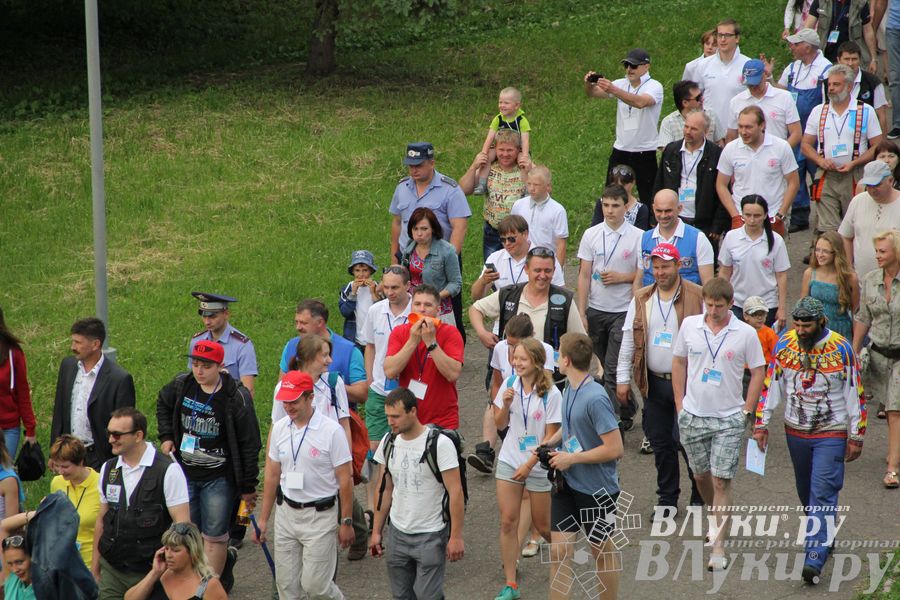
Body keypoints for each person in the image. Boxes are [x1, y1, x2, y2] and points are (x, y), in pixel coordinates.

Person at [754, 296, 866, 584]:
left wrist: (857, 433)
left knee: (822, 491)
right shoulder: (784, 343)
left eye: (807, 326)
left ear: (821, 322)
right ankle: (824, 534)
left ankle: (814, 556)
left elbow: (855, 390)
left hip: (831, 430)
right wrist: (761, 423)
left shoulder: (841, 348)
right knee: (806, 492)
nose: (801, 331)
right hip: (795, 431)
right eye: (797, 325)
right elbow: (771, 384)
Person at [672, 278, 766, 571]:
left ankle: (719, 547)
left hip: (728, 418)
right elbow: (678, 362)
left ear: (730, 304)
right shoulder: (689, 325)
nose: (713, 311)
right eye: (709, 305)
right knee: (700, 476)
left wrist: (747, 411)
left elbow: (759, 371)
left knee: (721, 480)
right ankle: (715, 516)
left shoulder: (745, 333)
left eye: (719, 306)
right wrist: (679, 405)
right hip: (693, 414)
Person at [156, 340, 261, 578]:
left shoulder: (236, 396)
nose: (199, 371)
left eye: (206, 366)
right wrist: (167, 436)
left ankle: (209, 585)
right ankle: (191, 581)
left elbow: (250, 443)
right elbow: (163, 402)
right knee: (186, 532)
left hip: (219, 477)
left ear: (220, 366)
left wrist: (248, 486)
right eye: (195, 364)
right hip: (185, 472)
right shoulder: (182, 384)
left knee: (214, 535)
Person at [616, 243, 705, 515]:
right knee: (660, 442)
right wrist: (622, 379)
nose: (660, 272)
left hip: (687, 384)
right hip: (652, 382)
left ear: (678, 265)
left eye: (665, 266)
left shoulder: (697, 295)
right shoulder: (641, 297)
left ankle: (699, 493)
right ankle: (667, 499)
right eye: (655, 267)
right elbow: (629, 339)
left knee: (687, 440)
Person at [254, 371, 354, 600]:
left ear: (310, 398)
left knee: (316, 586)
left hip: (320, 516)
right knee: (286, 587)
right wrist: (263, 519)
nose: (288, 407)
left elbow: (345, 479)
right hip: (286, 514)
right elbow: (272, 474)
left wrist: (347, 521)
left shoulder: (332, 432)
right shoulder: (280, 428)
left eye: (294, 401)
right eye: (285, 401)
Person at [545, 333, 624, 600]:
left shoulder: (596, 398)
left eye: (558, 353)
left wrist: (572, 458)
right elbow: (571, 425)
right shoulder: (569, 387)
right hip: (566, 483)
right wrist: (550, 442)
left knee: (601, 553)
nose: (556, 358)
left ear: (567, 360)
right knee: (558, 552)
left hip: (597, 490)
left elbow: (615, 449)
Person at [369, 388, 465, 600]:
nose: (390, 422)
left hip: (431, 534)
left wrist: (456, 536)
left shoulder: (440, 444)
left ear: (413, 411)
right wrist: (376, 531)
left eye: (396, 416)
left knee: (428, 596)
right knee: (401, 596)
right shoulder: (388, 442)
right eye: (388, 416)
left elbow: (455, 492)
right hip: (397, 533)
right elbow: (384, 489)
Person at [93, 407, 191, 599]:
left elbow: (182, 526)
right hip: (113, 570)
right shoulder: (108, 469)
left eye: (117, 434)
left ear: (138, 435)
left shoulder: (168, 470)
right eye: (109, 433)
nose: (111, 439)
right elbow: (101, 521)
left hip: (154, 571)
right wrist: (95, 568)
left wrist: (174, 570)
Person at [491, 338, 561, 600]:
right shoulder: (510, 384)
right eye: (515, 358)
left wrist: (529, 464)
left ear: (537, 362)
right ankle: (511, 584)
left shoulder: (551, 393)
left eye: (522, 359)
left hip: (538, 464)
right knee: (507, 521)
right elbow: (499, 424)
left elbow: (551, 436)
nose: (516, 363)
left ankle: (564, 554)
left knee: (543, 526)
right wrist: (506, 405)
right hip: (510, 458)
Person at [577, 185, 643, 426]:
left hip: (623, 310)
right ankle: (628, 408)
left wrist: (622, 278)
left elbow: (642, 274)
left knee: (613, 369)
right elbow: (584, 274)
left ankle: (610, 423)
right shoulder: (591, 234)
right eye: (605, 205)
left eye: (615, 205)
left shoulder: (638, 236)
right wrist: (582, 311)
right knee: (605, 365)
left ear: (626, 207)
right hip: (596, 309)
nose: (610, 210)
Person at [389, 141, 471, 335]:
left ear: (432, 163)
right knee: (410, 312)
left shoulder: (450, 189)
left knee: (449, 315)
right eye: (410, 166)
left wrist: (447, 258)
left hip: (439, 258)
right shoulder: (402, 187)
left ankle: (453, 349)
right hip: (409, 257)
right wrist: (394, 258)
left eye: (419, 165)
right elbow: (397, 222)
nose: (413, 170)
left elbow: (459, 227)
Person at [470, 247, 585, 382]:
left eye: (547, 271)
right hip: (513, 381)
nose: (542, 276)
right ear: (526, 269)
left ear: (554, 271)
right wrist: (482, 333)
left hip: (551, 382)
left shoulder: (564, 300)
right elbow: (475, 309)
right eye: (537, 270)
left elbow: (581, 341)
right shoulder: (509, 294)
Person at [800, 63, 882, 235]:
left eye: (836, 84)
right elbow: (805, 145)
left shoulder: (865, 110)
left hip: (855, 175)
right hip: (826, 175)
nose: (831, 88)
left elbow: (878, 145)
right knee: (828, 230)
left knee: (855, 225)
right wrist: (820, 160)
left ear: (849, 87)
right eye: (829, 84)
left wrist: (855, 163)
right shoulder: (818, 111)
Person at [470, 314, 556, 474]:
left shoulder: (545, 349)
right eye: (509, 344)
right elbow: (496, 383)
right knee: (491, 409)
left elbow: (545, 384)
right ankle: (486, 452)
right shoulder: (500, 348)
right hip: (509, 401)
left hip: (533, 405)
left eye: (516, 345)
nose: (512, 350)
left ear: (531, 338)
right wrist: (498, 407)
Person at [360, 265, 412, 517]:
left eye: (395, 287)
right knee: (374, 449)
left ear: (407, 286)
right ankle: (373, 506)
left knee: (406, 446)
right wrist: (370, 378)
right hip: (379, 390)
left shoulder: (417, 312)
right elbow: (369, 345)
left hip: (408, 391)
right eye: (386, 287)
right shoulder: (375, 311)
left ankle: (402, 501)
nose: (389, 292)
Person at [584, 48, 664, 212]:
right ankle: (608, 219)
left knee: (648, 195)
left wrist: (613, 90)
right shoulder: (621, 83)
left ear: (646, 66)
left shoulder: (654, 86)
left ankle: (648, 224)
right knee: (611, 193)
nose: (629, 69)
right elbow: (593, 93)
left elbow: (641, 102)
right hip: (621, 148)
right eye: (626, 65)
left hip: (644, 150)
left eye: (633, 66)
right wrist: (589, 84)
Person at [51, 317, 136, 470]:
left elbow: (124, 424)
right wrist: (55, 451)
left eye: (78, 342)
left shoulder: (119, 379)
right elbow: (59, 410)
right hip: (68, 454)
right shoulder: (68, 366)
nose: (72, 347)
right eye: (73, 341)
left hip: (98, 457)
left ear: (95, 344)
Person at [852, 229, 900, 489]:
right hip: (878, 355)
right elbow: (864, 318)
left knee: (894, 409)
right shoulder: (870, 280)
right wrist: (854, 350)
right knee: (889, 407)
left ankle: (892, 468)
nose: (877, 255)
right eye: (876, 250)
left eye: (883, 251)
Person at [773, 27, 833, 232]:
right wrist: (770, 78)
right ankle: (799, 216)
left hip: (815, 132)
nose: (791, 47)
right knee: (795, 172)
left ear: (807, 47)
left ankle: (826, 214)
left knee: (819, 173)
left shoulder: (826, 69)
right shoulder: (792, 68)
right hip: (794, 130)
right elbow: (780, 91)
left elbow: (827, 102)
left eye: (796, 44)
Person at [384, 285, 465, 430]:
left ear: (438, 310)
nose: (422, 309)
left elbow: (452, 374)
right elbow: (390, 372)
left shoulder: (450, 333)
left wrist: (431, 343)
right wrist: (412, 341)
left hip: (443, 421)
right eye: (417, 304)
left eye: (428, 305)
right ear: (411, 308)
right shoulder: (399, 332)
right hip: (408, 420)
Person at [715, 106, 800, 236]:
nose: (743, 132)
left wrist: (780, 215)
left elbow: (793, 183)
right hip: (742, 217)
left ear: (762, 125)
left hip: (772, 216)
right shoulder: (731, 149)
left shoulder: (781, 147)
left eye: (748, 127)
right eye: (740, 127)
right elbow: (721, 184)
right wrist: (735, 216)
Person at [718, 195, 792, 330]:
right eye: (748, 215)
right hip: (738, 303)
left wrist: (781, 308)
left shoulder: (776, 241)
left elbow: (781, 275)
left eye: (757, 216)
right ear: (742, 214)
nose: (752, 220)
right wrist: (721, 300)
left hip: (766, 305)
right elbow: (725, 271)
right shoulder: (731, 237)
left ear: (765, 215)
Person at [654, 110, 729, 239]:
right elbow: (659, 182)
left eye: (694, 129)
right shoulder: (671, 150)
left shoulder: (716, 154)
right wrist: (654, 217)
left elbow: (723, 189)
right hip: (674, 218)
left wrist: (718, 225)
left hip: (704, 222)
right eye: (686, 126)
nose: (688, 132)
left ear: (705, 131)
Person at [278, 300, 368, 406]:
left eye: (303, 323)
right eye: (296, 322)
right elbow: (281, 387)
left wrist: (331, 386)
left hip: (336, 414)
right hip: (299, 414)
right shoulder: (291, 346)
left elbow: (362, 394)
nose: (298, 327)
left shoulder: (349, 351)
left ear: (320, 322)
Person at [459, 130, 530, 261]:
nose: (505, 154)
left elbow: (546, 192)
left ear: (518, 150)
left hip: (519, 232)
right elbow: (463, 190)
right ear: (495, 150)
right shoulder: (488, 168)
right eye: (501, 150)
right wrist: (474, 167)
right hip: (493, 231)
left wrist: (530, 166)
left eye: (510, 150)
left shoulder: (524, 169)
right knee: (492, 269)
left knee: (521, 268)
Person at [124, 522, 227, 600]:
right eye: (166, 549)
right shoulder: (161, 575)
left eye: (175, 550)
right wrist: (154, 573)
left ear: (192, 552)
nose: (168, 555)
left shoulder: (209, 586)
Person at [399, 207, 463, 327]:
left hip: (440, 311)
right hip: (414, 309)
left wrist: (435, 297)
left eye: (424, 229)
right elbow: (404, 276)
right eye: (415, 229)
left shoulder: (447, 250)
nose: (419, 233)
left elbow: (455, 283)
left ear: (433, 229)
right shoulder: (409, 247)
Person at [187, 292, 257, 397]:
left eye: (212, 316)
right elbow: (193, 379)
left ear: (226, 314)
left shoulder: (242, 345)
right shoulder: (197, 341)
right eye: (204, 316)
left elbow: (247, 391)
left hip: (229, 402)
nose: (207, 322)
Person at [640, 189, 715, 286]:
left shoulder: (698, 238)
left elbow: (708, 284)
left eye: (668, 211)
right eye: (659, 211)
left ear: (679, 208)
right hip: (652, 295)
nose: (663, 215)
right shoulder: (644, 238)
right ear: (653, 208)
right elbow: (639, 280)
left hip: (688, 295)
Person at [839, 160, 900, 277]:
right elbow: (846, 236)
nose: (872, 190)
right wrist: (848, 269)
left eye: (877, 185)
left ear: (890, 181)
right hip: (861, 279)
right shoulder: (858, 201)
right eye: (868, 185)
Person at [693, 19, 751, 138]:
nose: (723, 39)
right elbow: (695, 99)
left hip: (740, 133)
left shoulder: (747, 65)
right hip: (710, 133)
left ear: (737, 38)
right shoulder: (703, 65)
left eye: (727, 35)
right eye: (720, 35)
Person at [49, 435, 100, 569]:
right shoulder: (57, 483)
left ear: (81, 461)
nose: (61, 471)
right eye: (57, 466)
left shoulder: (100, 484)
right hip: (63, 561)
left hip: (90, 562)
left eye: (65, 466)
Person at [725, 59, 802, 147]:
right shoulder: (736, 101)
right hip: (746, 153)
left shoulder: (785, 97)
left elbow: (796, 133)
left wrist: (781, 152)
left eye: (756, 83)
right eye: (750, 85)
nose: (753, 87)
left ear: (764, 75)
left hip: (776, 152)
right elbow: (731, 136)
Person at [801, 231, 860, 338]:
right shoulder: (809, 273)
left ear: (836, 253)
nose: (819, 255)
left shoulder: (850, 278)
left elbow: (856, 312)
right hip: (815, 331)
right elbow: (802, 308)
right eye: (817, 250)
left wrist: (856, 343)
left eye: (825, 251)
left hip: (840, 331)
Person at [473, 87, 532, 195]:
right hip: (499, 148)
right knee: (486, 158)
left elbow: (525, 140)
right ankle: (482, 184)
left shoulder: (521, 120)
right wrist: (484, 152)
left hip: (517, 149)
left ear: (517, 105)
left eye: (506, 103)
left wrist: (525, 155)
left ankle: (527, 188)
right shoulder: (498, 119)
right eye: (500, 102)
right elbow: (490, 137)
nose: (502, 105)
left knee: (523, 163)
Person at [510, 165, 569, 264]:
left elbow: (561, 244)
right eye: (529, 184)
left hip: (546, 261)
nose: (531, 188)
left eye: (536, 185)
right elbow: (512, 232)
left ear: (547, 186)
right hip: (522, 261)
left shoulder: (557, 210)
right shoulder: (518, 205)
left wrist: (558, 269)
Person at [0, 309, 35, 459]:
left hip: (8, 428)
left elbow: (23, 393)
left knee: (4, 470)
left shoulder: (13, 353)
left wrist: (30, 429)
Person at [804, 0, 877, 65]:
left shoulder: (861, 3)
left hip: (850, 58)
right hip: (825, 54)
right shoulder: (821, 2)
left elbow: (868, 31)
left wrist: (874, 59)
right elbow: (808, 27)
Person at [657, 80, 725, 149]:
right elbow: (666, 151)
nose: (703, 99)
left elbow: (720, 143)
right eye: (698, 98)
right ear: (685, 103)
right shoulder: (668, 122)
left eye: (701, 94)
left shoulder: (711, 115)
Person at [837, 41, 889, 131]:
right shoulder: (828, 83)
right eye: (846, 59)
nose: (850, 63)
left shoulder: (873, 82)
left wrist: (882, 140)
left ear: (860, 60)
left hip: (866, 135)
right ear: (838, 60)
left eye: (854, 59)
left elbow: (881, 116)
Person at [338, 250, 382, 351]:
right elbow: (345, 312)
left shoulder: (378, 287)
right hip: (354, 339)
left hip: (374, 338)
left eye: (365, 270)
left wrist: (373, 293)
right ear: (353, 272)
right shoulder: (348, 288)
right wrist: (353, 294)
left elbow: (382, 312)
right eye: (357, 270)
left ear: (371, 271)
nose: (361, 274)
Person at [741, 296, 780, 366]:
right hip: (744, 368)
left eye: (763, 314)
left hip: (765, 367)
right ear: (745, 316)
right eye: (755, 314)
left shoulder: (769, 333)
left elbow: (777, 354)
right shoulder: (740, 332)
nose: (759, 317)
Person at [2, 535, 34, 600]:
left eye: (19, 562)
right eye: (10, 564)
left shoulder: (47, 589)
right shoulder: (12, 580)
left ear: (32, 557)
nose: (14, 570)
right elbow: (4, 529)